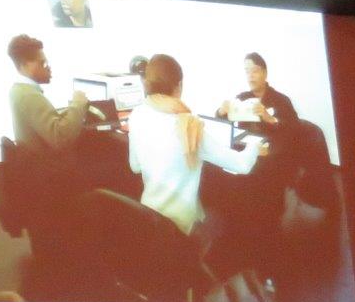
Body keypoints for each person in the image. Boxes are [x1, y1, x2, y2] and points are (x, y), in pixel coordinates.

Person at [127, 53, 261, 236]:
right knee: (219, 220)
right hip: (179, 229)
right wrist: (255, 145)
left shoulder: (137, 115)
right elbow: (243, 165)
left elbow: (135, 166)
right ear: (179, 86)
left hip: (149, 219)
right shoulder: (189, 127)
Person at [7, 33, 87, 157]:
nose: (48, 68)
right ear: (25, 64)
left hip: (36, 160)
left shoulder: (17, 89)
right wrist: (78, 103)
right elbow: (60, 138)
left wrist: (69, 111)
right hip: (49, 165)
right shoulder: (29, 96)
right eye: (42, 63)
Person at [216, 52, 299, 131]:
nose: (250, 76)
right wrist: (221, 112)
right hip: (245, 141)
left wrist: (271, 119)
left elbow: (296, 130)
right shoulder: (242, 98)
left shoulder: (282, 100)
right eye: (247, 71)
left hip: (272, 141)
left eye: (255, 71)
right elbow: (222, 126)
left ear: (265, 73)